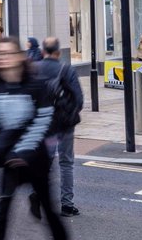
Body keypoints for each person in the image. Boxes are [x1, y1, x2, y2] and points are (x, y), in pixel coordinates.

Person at [0, 37, 66, 240]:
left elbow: (43, 122)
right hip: (10, 162)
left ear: (20, 56)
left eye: (7, 53)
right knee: (1, 215)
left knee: (49, 211)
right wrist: (0, 148)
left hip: (35, 161)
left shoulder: (37, 85)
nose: (2, 58)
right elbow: (1, 125)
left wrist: (22, 151)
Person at [39, 37, 83, 217]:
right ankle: (67, 204)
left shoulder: (33, 69)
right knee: (66, 162)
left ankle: (39, 196)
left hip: (43, 123)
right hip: (64, 124)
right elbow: (78, 99)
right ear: (58, 52)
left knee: (44, 162)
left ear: (43, 52)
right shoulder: (67, 69)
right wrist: (70, 115)